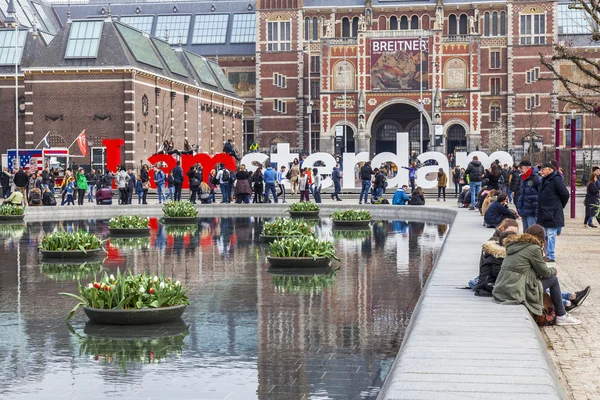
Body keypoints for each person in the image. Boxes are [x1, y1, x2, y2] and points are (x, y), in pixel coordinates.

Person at [493, 224, 583, 326]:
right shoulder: (533, 248)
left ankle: (565, 304)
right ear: (541, 238)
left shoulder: (515, 245)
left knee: (542, 282)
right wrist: (554, 270)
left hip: (503, 288)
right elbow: (544, 272)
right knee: (553, 280)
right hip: (516, 289)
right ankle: (561, 315)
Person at [537, 162, 569, 263]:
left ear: (550, 169)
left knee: (550, 234)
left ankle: (550, 255)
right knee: (545, 234)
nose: (541, 171)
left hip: (552, 211)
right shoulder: (544, 179)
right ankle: (546, 254)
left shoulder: (556, 179)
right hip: (544, 211)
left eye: (543, 169)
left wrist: (559, 206)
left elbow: (565, 194)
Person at [472, 230, 517, 297]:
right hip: (488, 287)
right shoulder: (499, 255)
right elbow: (497, 272)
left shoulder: (493, 251)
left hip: (485, 285)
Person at [516, 160, 540, 231]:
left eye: (521, 168)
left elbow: (540, 192)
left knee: (532, 230)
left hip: (532, 209)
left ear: (527, 168)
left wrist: (534, 202)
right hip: (524, 208)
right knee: (525, 230)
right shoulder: (523, 178)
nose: (520, 170)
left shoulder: (536, 178)